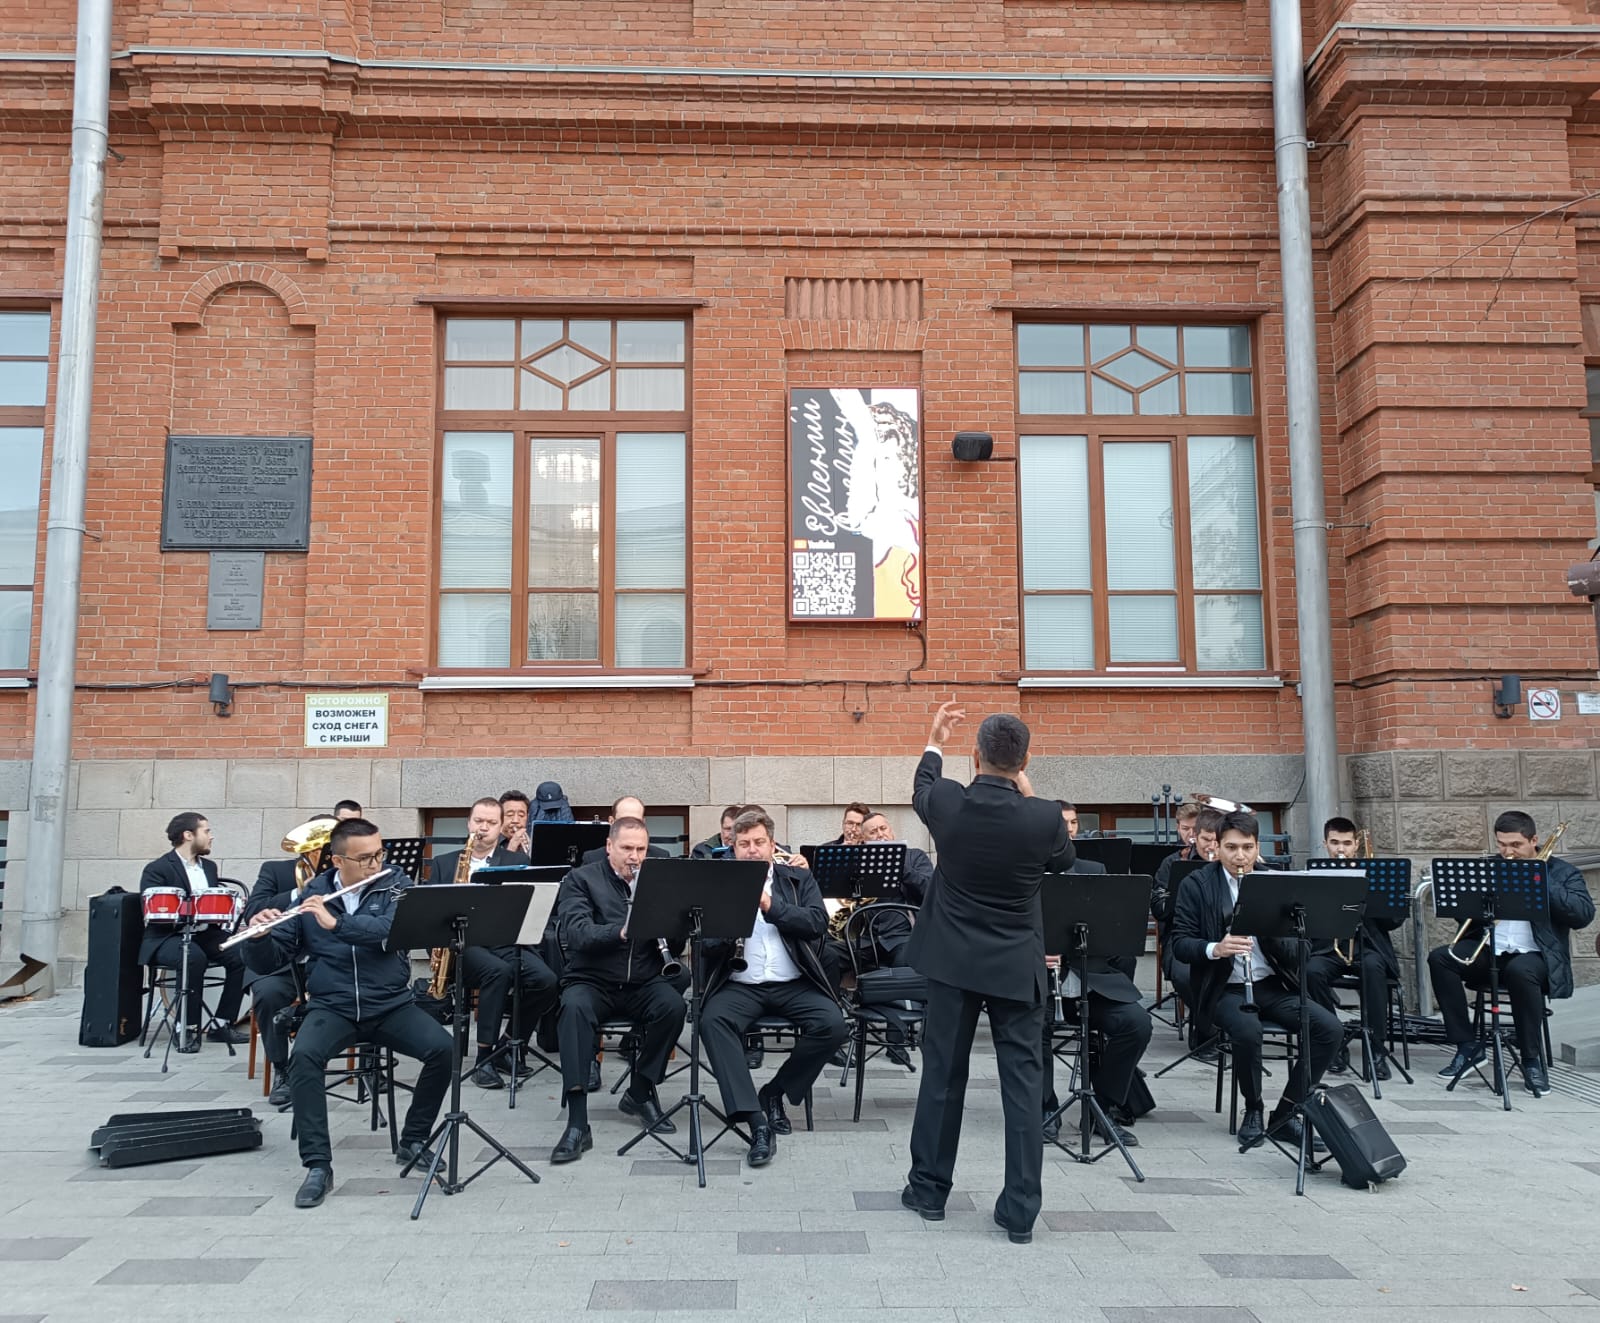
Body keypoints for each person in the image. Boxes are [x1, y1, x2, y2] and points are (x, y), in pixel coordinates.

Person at [901, 702, 1072, 1245]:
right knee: (1023, 1088)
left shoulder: (952, 801)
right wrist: (1028, 787)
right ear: (1024, 760)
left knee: (942, 1077)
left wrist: (934, 737)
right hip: (1016, 965)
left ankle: (929, 1191)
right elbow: (1064, 861)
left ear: (974, 757)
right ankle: (1020, 1211)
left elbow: (922, 787)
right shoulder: (1044, 815)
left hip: (952, 962)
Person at [241, 818, 454, 1209]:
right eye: (366, 857)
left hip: (389, 1003)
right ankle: (318, 1165)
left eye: (379, 853)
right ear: (338, 861)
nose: (376, 863)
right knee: (304, 1058)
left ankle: (414, 1140)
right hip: (332, 1005)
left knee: (443, 1049)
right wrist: (259, 937)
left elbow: (389, 932)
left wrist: (337, 924)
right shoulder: (312, 894)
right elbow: (275, 956)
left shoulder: (397, 884)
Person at [1169, 810, 1344, 1150]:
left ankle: (1287, 1113)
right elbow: (1180, 944)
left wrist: (1277, 933)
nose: (1240, 857)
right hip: (1223, 987)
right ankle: (1254, 1109)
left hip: (1271, 985)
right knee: (1248, 1032)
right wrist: (1216, 948)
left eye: (1247, 848)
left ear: (1257, 847)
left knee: (1329, 1029)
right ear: (1216, 847)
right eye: (1231, 848)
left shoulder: (1275, 881)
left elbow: (1304, 948)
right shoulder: (1197, 884)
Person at [698, 809, 847, 1168]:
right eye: (743, 843)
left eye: (758, 843)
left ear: (772, 845)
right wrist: (729, 920)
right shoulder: (716, 883)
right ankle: (756, 1122)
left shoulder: (797, 879)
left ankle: (774, 1092)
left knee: (833, 1025)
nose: (751, 850)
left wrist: (769, 905)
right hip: (741, 984)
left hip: (793, 983)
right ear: (732, 848)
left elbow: (815, 923)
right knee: (711, 1022)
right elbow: (705, 943)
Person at [549, 817, 689, 1163]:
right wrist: (623, 931)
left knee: (673, 1007)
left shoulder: (657, 881)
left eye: (641, 849)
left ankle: (640, 1091)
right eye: (627, 848)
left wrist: (677, 922)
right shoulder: (580, 880)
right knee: (573, 1010)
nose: (635, 857)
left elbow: (675, 940)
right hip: (592, 980)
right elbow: (577, 933)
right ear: (609, 846)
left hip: (643, 980)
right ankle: (577, 1122)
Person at [1428, 810, 1595, 1096]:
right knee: (1441, 958)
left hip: (1536, 956)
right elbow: (1463, 916)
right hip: (1491, 949)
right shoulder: (1490, 867)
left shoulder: (1561, 872)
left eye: (1515, 845)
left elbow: (1582, 915)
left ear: (1534, 840)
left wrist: (1541, 879)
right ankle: (1467, 1047)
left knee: (1521, 972)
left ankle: (1531, 1061)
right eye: (1502, 844)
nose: (1508, 852)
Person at [1040, 800, 1151, 1145]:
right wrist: (1034, 953)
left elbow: (1113, 935)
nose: (1069, 829)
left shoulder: (1094, 870)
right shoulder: (1023, 873)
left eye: (1073, 823)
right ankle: (1045, 1109)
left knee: (1137, 1024)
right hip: (1041, 986)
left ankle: (1101, 1106)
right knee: (1032, 1030)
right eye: (1061, 823)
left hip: (1092, 982)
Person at [426, 797, 558, 1089]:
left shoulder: (516, 863)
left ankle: (506, 1044)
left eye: (491, 823)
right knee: (495, 972)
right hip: (461, 947)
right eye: (478, 821)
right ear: (468, 823)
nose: (483, 828)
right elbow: (428, 917)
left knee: (547, 980)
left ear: (501, 828)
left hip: (503, 942)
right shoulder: (444, 864)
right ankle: (483, 1058)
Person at [245, 814, 338, 1107]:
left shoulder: (347, 878)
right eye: (316, 846)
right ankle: (284, 1070)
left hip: (324, 961)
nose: (320, 852)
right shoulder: (275, 870)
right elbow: (255, 908)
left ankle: (364, 1064)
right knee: (268, 994)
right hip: (282, 963)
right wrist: (301, 892)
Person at [1301, 817, 1403, 1080]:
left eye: (1346, 843)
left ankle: (1377, 1049)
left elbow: (1393, 922)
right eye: (1334, 843)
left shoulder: (1374, 874)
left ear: (1356, 844)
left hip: (1366, 946)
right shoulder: (1314, 875)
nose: (1341, 849)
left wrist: (1377, 899)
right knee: (1311, 972)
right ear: (1325, 844)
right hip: (1329, 949)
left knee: (1373, 968)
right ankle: (1332, 1041)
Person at [137, 813, 247, 1051]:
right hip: (167, 936)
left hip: (204, 933)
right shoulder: (157, 868)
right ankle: (186, 1026)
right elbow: (152, 910)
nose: (211, 836)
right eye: (206, 831)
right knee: (193, 957)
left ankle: (221, 1023)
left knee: (242, 953)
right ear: (188, 835)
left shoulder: (209, 867)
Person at [1152, 806, 1220, 1055]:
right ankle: (1209, 1030)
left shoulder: (1231, 864)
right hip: (1182, 938)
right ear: (1196, 837)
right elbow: (1159, 909)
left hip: (1222, 938)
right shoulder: (1173, 863)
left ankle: (1218, 1024)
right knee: (1184, 975)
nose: (1211, 847)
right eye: (1205, 840)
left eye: (1216, 841)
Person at [499, 789, 532, 855]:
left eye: (521, 815)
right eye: (510, 815)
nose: (515, 821)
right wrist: (511, 849)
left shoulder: (532, 841)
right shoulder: (489, 843)